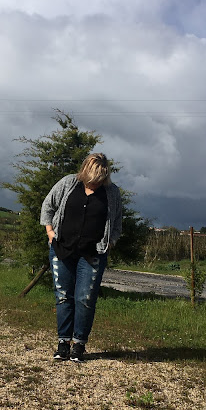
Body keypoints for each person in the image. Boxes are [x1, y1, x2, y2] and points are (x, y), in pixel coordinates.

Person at [40, 153, 122, 362]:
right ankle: (63, 343)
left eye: (100, 179)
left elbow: (117, 222)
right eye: (93, 178)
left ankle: (79, 345)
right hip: (62, 249)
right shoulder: (68, 183)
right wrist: (50, 233)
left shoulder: (112, 193)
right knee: (63, 296)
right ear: (85, 171)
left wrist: (110, 242)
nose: (96, 183)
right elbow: (48, 206)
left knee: (85, 299)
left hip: (93, 254)